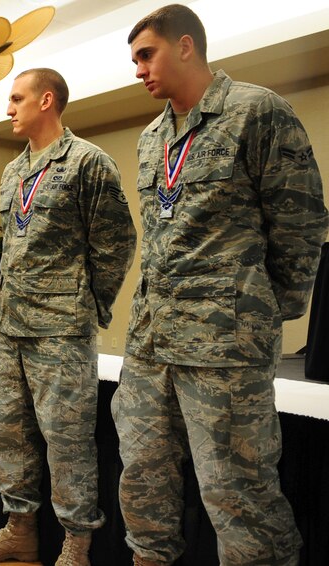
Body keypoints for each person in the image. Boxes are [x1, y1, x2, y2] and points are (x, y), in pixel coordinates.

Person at [114, 5, 329, 565]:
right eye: (133, 59)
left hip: (225, 346)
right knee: (142, 476)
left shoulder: (257, 112)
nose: (137, 69)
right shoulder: (151, 138)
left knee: (236, 489)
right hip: (151, 341)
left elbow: (301, 225)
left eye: (146, 55)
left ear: (186, 46)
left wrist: (255, 312)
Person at [0, 69, 136, 565]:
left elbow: (116, 243)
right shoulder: (13, 170)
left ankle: (76, 543)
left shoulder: (88, 162)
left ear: (46, 100)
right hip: (13, 327)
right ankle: (20, 530)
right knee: (8, 434)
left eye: (16, 98)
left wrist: (86, 305)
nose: (9, 108)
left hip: (61, 329)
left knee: (66, 439)